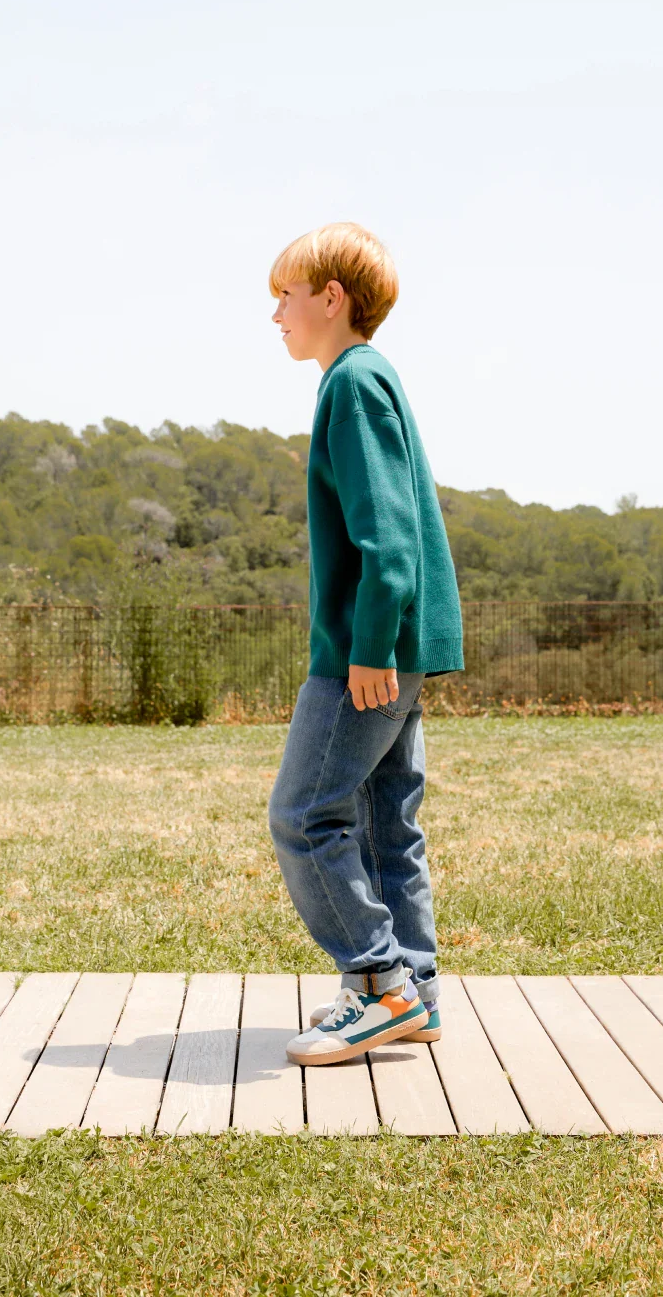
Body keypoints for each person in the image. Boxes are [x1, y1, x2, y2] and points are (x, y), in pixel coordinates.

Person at [266, 222, 465, 1067]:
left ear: (331, 298)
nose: (275, 314)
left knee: (304, 816)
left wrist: (371, 646)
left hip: (370, 648)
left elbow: (388, 538)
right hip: (398, 641)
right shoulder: (365, 380)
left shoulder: (351, 384)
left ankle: (381, 985)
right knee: (386, 821)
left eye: (284, 295)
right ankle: (409, 991)